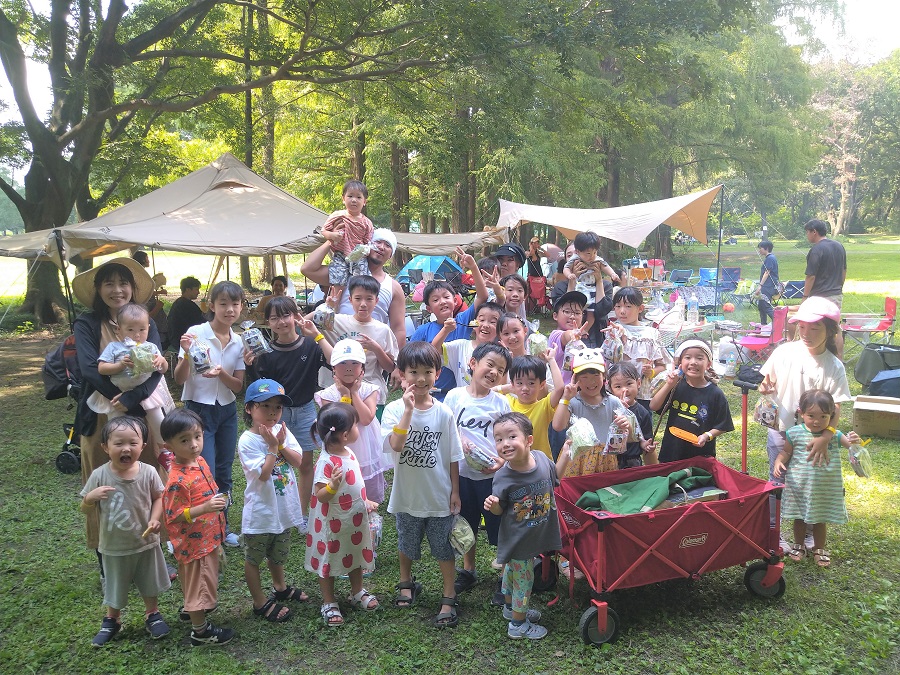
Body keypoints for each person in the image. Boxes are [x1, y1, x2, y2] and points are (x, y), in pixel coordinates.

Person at [73, 257, 166, 561]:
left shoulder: (144, 320)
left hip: (143, 408)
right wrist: (118, 398)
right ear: (98, 288)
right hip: (102, 412)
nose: (117, 290)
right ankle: (106, 558)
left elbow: (156, 367)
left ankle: (151, 551)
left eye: (123, 283)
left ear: (133, 288)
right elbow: (89, 368)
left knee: (148, 479)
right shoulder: (87, 323)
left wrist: (134, 398)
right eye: (109, 283)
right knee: (103, 481)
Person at [758, 296, 851, 554]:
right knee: (777, 481)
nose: (806, 333)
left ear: (830, 331)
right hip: (781, 432)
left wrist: (826, 436)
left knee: (812, 483)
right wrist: (764, 387)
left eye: (815, 328)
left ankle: (809, 533)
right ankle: (774, 533)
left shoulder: (834, 366)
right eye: (802, 327)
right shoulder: (784, 352)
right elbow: (766, 382)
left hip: (814, 437)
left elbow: (837, 406)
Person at [382, 342, 463, 628]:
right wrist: (408, 411)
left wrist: (455, 491)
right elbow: (396, 444)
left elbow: (453, 455)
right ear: (402, 374)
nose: (420, 378)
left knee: (444, 547)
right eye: (413, 372)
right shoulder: (393, 410)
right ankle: (406, 582)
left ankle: (449, 594)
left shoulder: (444, 413)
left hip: (439, 495)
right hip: (407, 495)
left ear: (437, 374)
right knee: (406, 542)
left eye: (427, 372)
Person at [80, 416, 171, 647]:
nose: (126, 448)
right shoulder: (99, 475)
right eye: (119, 443)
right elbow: (85, 509)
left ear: (143, 446)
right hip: (113, 545)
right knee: (115, 584)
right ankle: (113, 619)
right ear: (105, 447)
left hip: (146, 542)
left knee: (149, 580)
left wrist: (154, 518)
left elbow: (159, 498)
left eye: (133, 442)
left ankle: (152, 613)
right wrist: (90, 497)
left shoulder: (149, 472)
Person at [246, 296, 332, 525]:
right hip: (276, 413)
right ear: (267, 322)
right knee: (275, 464)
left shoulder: (310, 345)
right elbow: (260, 388)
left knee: (305, 464)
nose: (281, 322)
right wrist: (250, 366)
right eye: (274, 318)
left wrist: (317, 335)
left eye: (286, 315)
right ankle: (280, 513)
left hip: (305, 412)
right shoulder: (265, 353)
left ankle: (302, 515)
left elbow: (334, 361)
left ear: (296, 316)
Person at [174, 280, 246, 548]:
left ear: (241, 307)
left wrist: (221, 373)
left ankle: (222, 527)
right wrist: (185, 354)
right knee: (203, 470)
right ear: (212, 306)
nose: (230, 309)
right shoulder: (196, 333)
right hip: (198, 410)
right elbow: (179, 379)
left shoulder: (239, 341)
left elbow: (237, 386)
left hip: (226, 411)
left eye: (235, 304)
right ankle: (200, 527)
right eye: (223, 303)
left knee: (224, 470)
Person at [160, 408, 234, 647]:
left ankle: (191, 610)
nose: (193, 444)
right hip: (194, 543)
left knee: (197, 580)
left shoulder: (199, 462)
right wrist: (205, 508)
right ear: (169, 446)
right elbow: (173, 515)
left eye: (197, 436)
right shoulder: (177, 480)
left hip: (206, 537)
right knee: (199, 583)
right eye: (184, 440)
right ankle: (200, 631)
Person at [484, 412, 562, 640]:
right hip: (518, 540)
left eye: (511, 437)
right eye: (499, 439)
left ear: (529, 440)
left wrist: (566, 455)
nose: (505, 443)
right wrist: (494, 505)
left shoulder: (542, 459)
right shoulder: (503, 476)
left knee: (512, 573)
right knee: (523, 580)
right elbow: (500, 511)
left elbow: (555, 477)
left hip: (534, 535)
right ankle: (518, 625)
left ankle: (510, 609)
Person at [238, 378, 310, 623]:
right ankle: (259, 602)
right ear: (249, 408)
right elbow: (264, 473)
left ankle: (280, 587)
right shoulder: (248, 440)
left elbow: (298, 461)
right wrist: (272, 447)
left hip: (283, 509)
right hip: (261, 513)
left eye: (277, 407)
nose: (272, 412)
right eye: (265, 406)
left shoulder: (281, 432)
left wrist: (279, 444)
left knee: (278, 554)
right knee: (254, 559)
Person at [444, 343, 512, 597]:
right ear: (473, 363)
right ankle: (468, 569)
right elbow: (446, 432)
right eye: (490, 365)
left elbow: (510, 437)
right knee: (466, 522)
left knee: (500, 525)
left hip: (494, 477)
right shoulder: (454, 397)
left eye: (501, 370)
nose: (494, 372)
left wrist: (502, 462)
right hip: (461, 475)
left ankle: (505, 575)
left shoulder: (501, 403)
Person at [302, 227, 407, 383]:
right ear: (368, 245)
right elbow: (307, 269)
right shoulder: (343, 273)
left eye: (387, 245)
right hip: (338, 347)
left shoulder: (393, 286)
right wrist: (331, 241)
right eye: (378, 242)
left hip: (371, 358)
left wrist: (399, 366)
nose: (381, 247)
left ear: (391, 254)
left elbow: (398, 328)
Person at [306, 402, 379, 627]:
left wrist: (364, 501)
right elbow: (321, 495)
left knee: (355, 553)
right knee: (328, 558)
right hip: (331, 524)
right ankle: (329, 601)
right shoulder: (326, 462)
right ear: (345, 434)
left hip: (353, 520)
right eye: (355, 425)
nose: (358, 429)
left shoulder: (349, 453)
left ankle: (357, 591)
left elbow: (354, 484)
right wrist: (332, 486)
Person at [774, 389, 858, 568]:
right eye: (811, 415)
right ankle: (799, 545)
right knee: (799, 518)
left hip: (823, 487)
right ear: (801, 413)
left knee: (820, 519)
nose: (817, 421)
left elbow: (851, 447)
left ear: (831, 416)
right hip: (799, 485)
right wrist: (778, 461)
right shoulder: (794, 433)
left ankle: (819, 548)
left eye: (823, 417)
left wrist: (855, 441)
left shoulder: (835, 435)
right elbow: (786, 452)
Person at [90, 303, 175, 467]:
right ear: (118, 330)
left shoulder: (150, 347)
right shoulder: (114, 348)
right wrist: (120, 365)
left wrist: (161, 361)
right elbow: (102, 369)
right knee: (116, 426)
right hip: (118, 393)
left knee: (158, 419)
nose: (137, 335)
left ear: (148, 328)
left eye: (142, 330)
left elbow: (163, 369)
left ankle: (165, 452)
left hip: (146, 393)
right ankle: (115, 456)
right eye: (130, 330)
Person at [315, 339, 389, 506]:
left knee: (368, 491)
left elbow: (366, 419)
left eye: (354, 363)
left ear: (362, 368)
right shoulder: (327, 395)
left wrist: (354, 393)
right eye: (342, 363)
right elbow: (341, 422)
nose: (348, 368)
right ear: (333, 368)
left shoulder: (369, 390)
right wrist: (345, 396)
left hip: (366, 448)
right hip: (339, 446)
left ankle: (370, 515)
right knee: (342, 486)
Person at [409, 249, 490, 400]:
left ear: (455, 300)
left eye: (446, 297)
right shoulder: (423, 331)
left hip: (460, 393)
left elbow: (482, 296)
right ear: (429, 308)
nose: (442, 301)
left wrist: (473, 267)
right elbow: (410, 358)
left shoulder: (462, 320)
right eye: (435, 300)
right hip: (431, 393)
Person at [318, 275, 399, 410]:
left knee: (369, 423)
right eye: (358, 298)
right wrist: (327, 307)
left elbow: (390, 367)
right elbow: (305, 324)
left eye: (369, 299)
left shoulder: (383, 330)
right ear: (350, 300)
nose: (363, 304)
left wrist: (376, 348)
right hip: (338, 391)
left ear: (376, 301)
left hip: (370, 392)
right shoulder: (336, 321)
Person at [650, 340, 734, 463]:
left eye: (699, 358)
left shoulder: (715, 394)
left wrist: (707, 436)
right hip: (671, 451)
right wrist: (669, 385)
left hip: (699, 455)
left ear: (708, 364)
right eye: (688, 357)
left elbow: (723, 425)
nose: (693, 362)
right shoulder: (676, 386)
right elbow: (653, 406)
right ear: (680, 363)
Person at [552, 349, 630, 477]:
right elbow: (557, 426)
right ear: (575, 378)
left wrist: (625, 425)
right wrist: (565, 398)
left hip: (604, 459)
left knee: (603, 487)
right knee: (575, 488)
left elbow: (629, 432)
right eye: (584, 377)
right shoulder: (572, 402)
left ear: (604, 376)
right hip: (577, 458)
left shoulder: (613, 402)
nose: (591, 382)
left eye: (596, 375)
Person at [611, 286, 668, 408]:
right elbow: (607, 362)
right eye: (618, 306)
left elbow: (662, 366)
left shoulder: (651, 334)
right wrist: (616, 337)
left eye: (628, 306)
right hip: (617, 395)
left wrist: (651, 372)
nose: (622, 311)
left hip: (642, 397)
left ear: (640, 308)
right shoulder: (613, 331)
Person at [428, 300, 503, 388]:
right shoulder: (461, 347)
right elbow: (434, 350)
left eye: (493, 322)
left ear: (500, 328)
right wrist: (445, 330)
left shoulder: (502, 353)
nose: (486, 325)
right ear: (473, 324)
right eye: (482, 320)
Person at [320, 180, 374, 300]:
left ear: (364, 201)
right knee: (338, 279)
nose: (354, 200)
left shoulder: (367, 222)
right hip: (340, 255)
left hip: (358, 256)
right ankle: (334, 303)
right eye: (350, 196)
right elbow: (324, 230)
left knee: (362, 281)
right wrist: (332, 235)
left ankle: (359, 302)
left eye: (358, 197)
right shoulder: (337, 215)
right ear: (343, 198)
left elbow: (368, 241)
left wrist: (365, 250)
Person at [505, 353, 565, 458]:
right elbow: (488, 393)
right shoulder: (507, 401)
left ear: (542, 384)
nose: (525, 388)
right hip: (513, 462)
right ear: (512, 384)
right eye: (519, 383)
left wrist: (551, 359)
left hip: (541, 462)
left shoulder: (544, 406)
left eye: (531, 383)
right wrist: (505, 388)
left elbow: (559, 388)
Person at [802, 219, 847, 357]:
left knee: (816, 327)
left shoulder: (816, 250)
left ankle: (817, 356)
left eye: (807, 232)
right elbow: (844, 270)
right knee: (835, 328)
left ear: (814, 232)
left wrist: (805, 297)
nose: (807, 235)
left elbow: (811, 276)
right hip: (836, 294)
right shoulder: (839, 246)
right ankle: (838, 359)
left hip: (820, 296)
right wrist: (839, 287)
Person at [605, 361, 658, 468]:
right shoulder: (607, 409)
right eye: (618, 386)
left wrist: (646, 445)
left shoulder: (643, 413)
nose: (625, 389)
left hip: (633, 462)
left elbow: (643, 439)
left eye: (629, 384)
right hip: (609, 461)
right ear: (610, 389)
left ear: (638, 383)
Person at [132, 250, 169, 350]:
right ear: (143, 259)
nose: (148, 261)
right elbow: (142, 291)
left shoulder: (141, 272)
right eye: (147, 258)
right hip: (147, 304)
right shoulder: (139, 274)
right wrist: (158, 295)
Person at [168, 277, 205, 353]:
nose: (198, 292)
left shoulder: (179, 303)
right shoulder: (187, 305)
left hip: (175, 340)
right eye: (196, 289)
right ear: (188, 289)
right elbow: (202, 322)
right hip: (182, 342)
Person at [755, 241, 779, 325]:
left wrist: (760, 285)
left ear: (766, 248)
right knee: (761, 306)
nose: (759, 250)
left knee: (766, 305)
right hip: (766, 286)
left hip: (768, 286)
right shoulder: (769, 258)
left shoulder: (770, 258)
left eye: (760, 248)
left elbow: (767, 272)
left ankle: (779, 323)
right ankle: (763, 325)